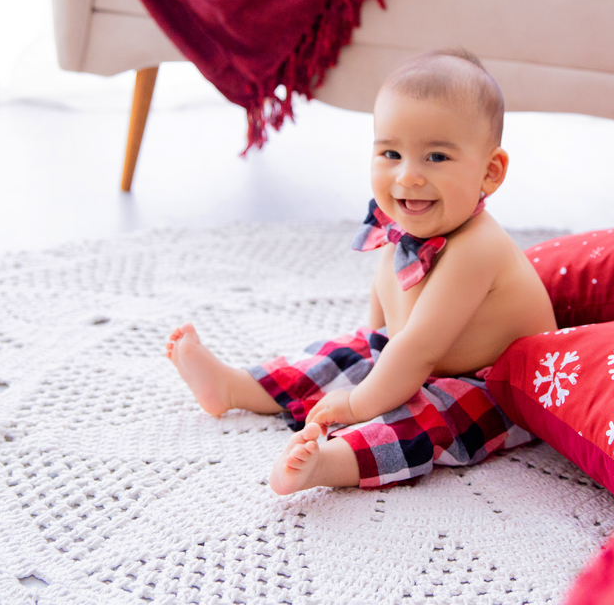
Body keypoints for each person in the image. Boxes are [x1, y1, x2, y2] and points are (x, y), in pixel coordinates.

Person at [165, 49, 557, 494]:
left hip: (492, 386)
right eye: (391, 153)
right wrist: (368, 347)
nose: (408, 177)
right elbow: (387, 294)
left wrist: (356, 402)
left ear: (490, 171)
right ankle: (235, 388)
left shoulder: (478, 247)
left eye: (436, 158)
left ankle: (331, 463)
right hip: (416, 354)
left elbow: (421, 347)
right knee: (341, 355)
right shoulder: (411, 218)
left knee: (426, 419)